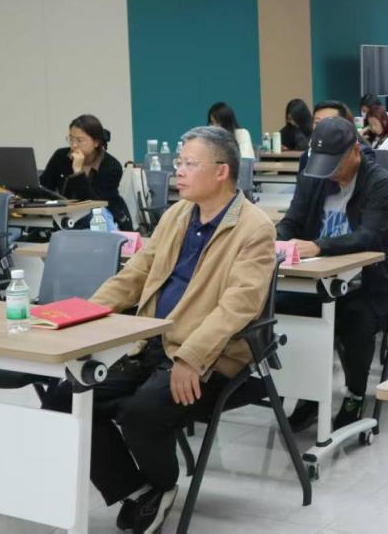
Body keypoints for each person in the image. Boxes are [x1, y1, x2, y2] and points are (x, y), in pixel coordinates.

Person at [44, 126, 275, 534]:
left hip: (210, 356)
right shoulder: (176, 215)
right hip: (151, 346)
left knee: (140, 414)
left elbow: (238, 306)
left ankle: (164, 483)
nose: (178, 171)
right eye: (179, 162)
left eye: (189, 164)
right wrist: (82, 314)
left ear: (221, 171)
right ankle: (138, 490)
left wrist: (192, 357)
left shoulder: (254, 228)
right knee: (66, 399)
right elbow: (135, 274)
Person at [276, 117, 388, 429]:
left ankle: (355, 395)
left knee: (354, 317)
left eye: (336, 164)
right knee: (285, 308)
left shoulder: (379, 183)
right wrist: (277, 242)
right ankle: (309, 393)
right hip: (316, 276)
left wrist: (318, 246)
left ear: (355, 151)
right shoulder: (313, 177)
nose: (329, 172)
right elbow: (292, 220)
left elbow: (368, 236)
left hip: (369, 279)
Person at [41, 115, 133, 230]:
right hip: (64, 218)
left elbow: (95, 204)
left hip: (101, 220)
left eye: (79, 140)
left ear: (96, 142)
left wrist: (78, 172)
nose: (74, 145)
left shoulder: (111, 167)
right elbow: (44, 187)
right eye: (71, 139)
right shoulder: (60, 157)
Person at [298, 100, 377, 173]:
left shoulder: (362, 154)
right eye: (317, 122)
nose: (322, 127)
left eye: (329, 122)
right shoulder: (306, 157)